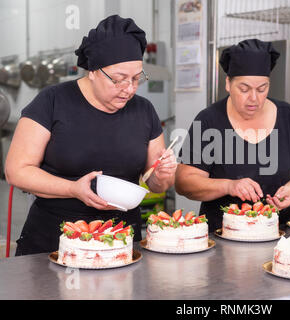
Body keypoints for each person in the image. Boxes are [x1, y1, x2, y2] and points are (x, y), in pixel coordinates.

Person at [5, 15, 177, 256]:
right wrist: (73, 189)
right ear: (93, 71)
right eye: (118, 79)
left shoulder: (144, 110)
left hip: (121, 241)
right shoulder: (52, 101)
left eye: (136, 78)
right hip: (53, 241)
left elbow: (156, 182)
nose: (129, 89)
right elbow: (17, 170)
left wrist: (162, 175)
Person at [175, 39, 290, 232]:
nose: (254, 98)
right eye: (244, 89)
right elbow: (184, 182)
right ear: (228, 83)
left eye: (262, 89)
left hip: (282, 234)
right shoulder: (210, 120)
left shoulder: (287, 115)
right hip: (223, 236)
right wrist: (229, 186)